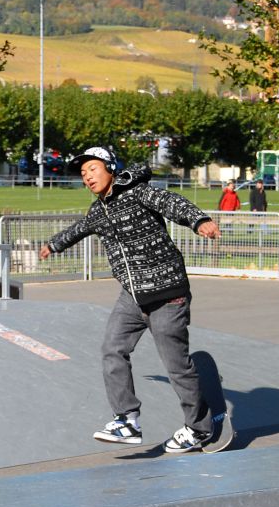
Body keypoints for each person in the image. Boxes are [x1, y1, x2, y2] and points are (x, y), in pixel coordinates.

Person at [37, 146, 221, 453]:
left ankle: (199, 427)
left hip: (167, 292)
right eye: (83, 174)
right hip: (133, 296)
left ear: (109, 167)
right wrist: (53, 246)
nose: (87, 178)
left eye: (92, 170)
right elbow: (79, 229)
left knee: (176, 366)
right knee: (112, 349)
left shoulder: (138, 192)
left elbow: (170, 202)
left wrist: (198, 220)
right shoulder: (98, 211)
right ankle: (126, 419)